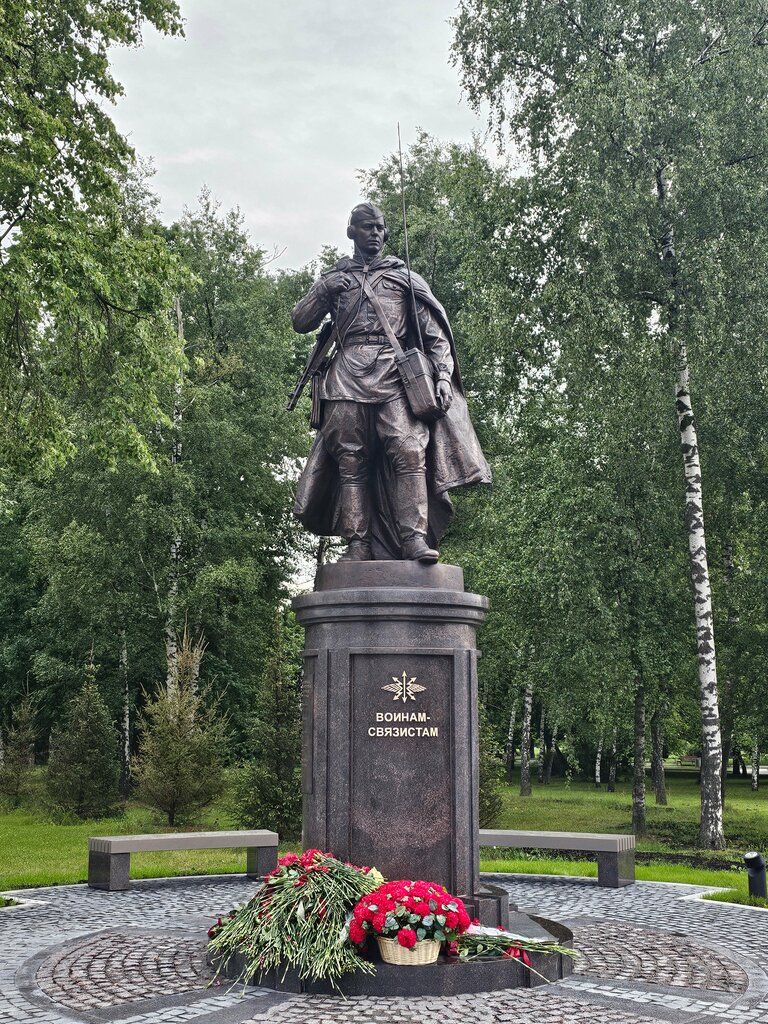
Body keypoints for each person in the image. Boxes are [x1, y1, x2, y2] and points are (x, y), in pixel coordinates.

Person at [289, 202, 490, 563]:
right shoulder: (335, 280)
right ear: (351, 232)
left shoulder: (401, 277)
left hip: (396, 374)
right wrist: (322, 290)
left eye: (380, 228)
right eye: (368, 227)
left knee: (410, 450)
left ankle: (413, 539)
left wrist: (444, 377)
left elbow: (435, 335)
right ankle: (357, 544)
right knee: (350, 461)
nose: (376, 234)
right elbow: (300, 321)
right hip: (346, 376)